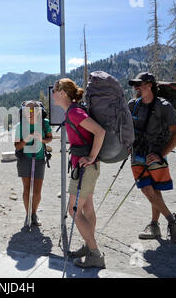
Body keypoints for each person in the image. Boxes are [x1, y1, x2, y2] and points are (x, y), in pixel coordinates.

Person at [52, 78, 106, 268]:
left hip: (85, 167)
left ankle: (95, 254)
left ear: (63, 94)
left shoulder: (74, 112)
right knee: (87, 208)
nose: (52, 93)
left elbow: (100, 132)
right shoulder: (74, 110)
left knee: (73, 210)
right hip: (87, 167)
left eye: (55, 90)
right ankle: (88, 245)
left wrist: (91, 156)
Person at [128, 72, 176, 243]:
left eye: (140, 84)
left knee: (155, 190)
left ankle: (155, 225)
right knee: (147, 189)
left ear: (150, 85)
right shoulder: (133, 105)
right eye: (135, 84)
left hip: (155, 154)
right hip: (136, 154)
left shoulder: (164, 106)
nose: (136, 87)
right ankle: (172, 221)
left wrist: (161, 154)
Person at [14, 100, 53, 227]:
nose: (31, 112)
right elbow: (17, 146)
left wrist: (41, 139)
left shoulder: (44, 123)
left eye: (34, 110)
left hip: (40, 159)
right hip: (25, 159)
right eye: (28, 110)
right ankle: (27, 215)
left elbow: (49, 138)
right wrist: (26, 139)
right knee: (26, 189)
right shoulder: (20, 126)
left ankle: (34, 214)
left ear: (39, 111)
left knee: (37, 191)